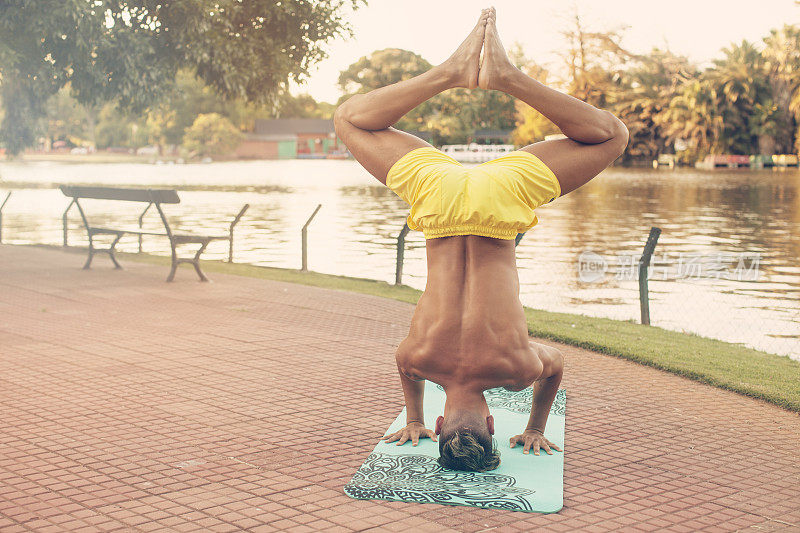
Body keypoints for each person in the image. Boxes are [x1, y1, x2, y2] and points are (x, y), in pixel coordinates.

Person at [334, 7, 628, 471]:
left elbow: (555, 367)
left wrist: (534, 428)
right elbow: (405, 368)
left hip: (500, 201)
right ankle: (449, 73)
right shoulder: (419, 356)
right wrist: (414, 418)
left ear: (492, 427)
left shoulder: (516, 369)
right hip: (440, 201)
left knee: (611, 136)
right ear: (440, 420)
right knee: (350, 120)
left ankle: (509, 78)